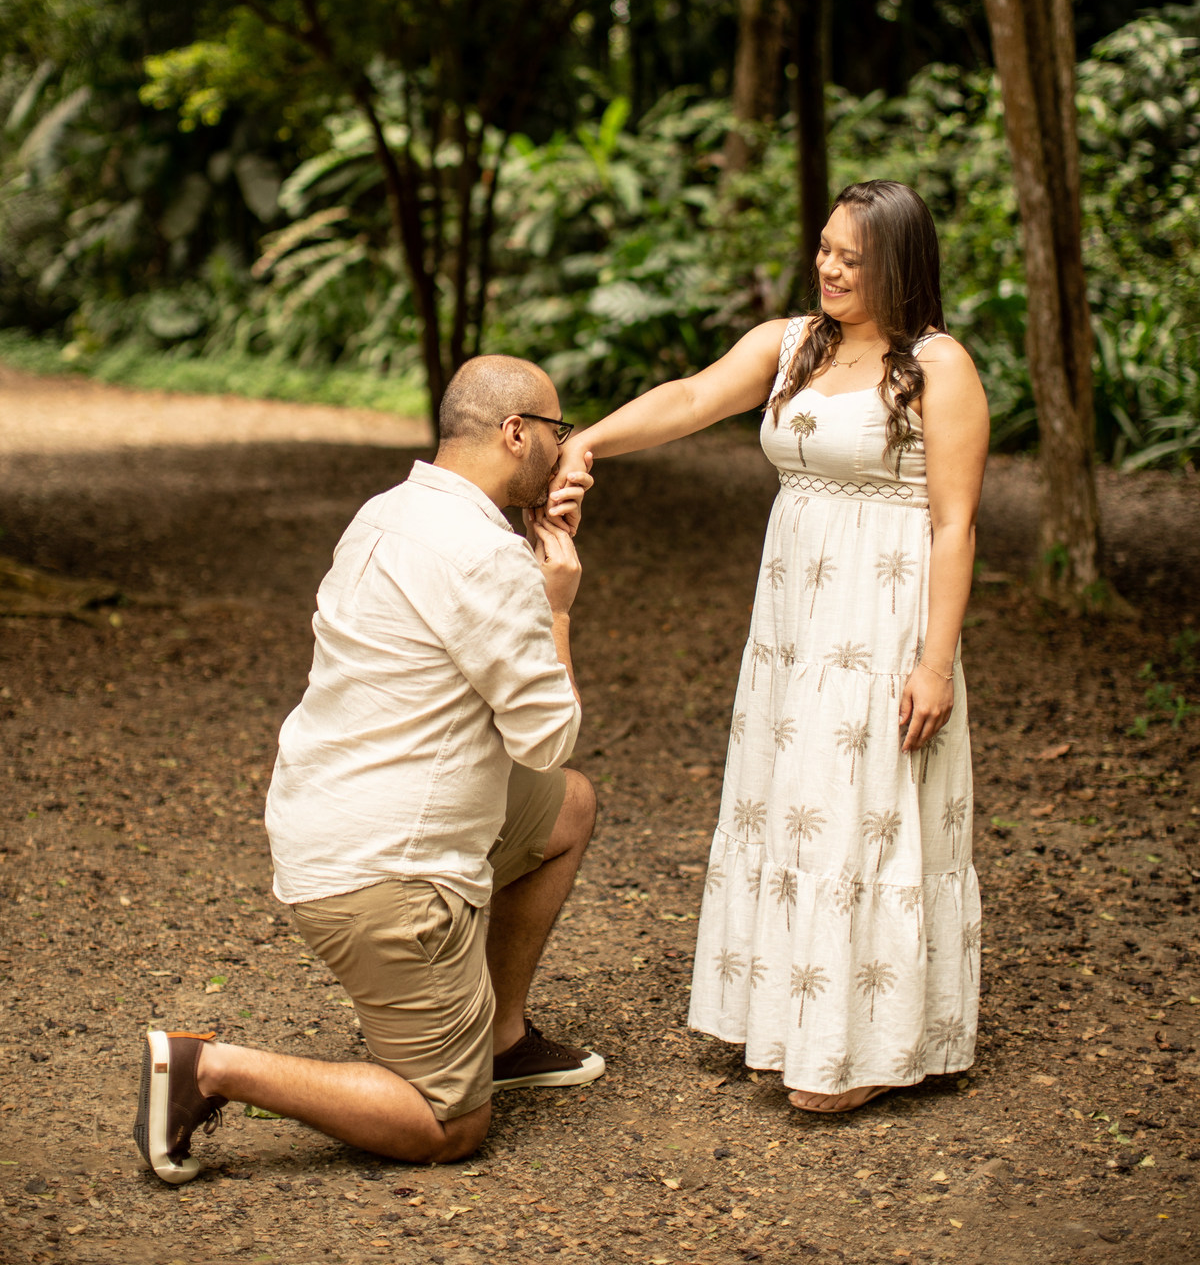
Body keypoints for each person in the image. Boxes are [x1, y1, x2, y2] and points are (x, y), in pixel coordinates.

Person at [547, 180, 989, 1114]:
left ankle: (862, 1049)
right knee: (794, 805)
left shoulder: (940, 368)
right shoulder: (791, 345)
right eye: (825, 248)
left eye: (853, 258)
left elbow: (955, 526)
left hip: (882, 621)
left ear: (900, 264)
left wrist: (934, 663)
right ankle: (786, 1020)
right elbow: (693, 397)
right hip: (794, 624)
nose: (829, 266)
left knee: (863, 806)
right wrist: (585, 441)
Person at [134, 354, 603, 1184]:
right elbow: (544, 736)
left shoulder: (388, 512)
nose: (564, 449)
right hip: (388, 872)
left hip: (326, 816)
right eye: (556, 432)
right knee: (447, 1124)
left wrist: (530, 552)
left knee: (564, 809)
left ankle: (500, 1038)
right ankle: (209, 1068)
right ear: (515, 432)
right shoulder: (488, 558)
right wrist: (557, 608)